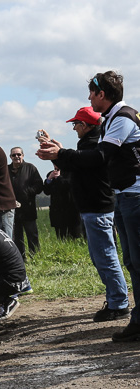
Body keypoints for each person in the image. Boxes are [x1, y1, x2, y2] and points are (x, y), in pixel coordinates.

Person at [37, 74, 137, 337]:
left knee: (121, 259)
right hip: (121, 197)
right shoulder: (113, 122)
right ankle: (131, 313)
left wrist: (60, 155)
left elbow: (97, 158)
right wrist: (61, 153)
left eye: (92, 93)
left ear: (102, 94)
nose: (89, 98)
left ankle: (123, 307)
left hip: (120, 200)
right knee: (128, 260)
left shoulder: (122, 119)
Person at [8, 147, 44, 260]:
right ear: (10, 157)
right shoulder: (6, 170)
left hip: (28, 208)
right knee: (16, 236)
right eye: (14, 155)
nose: (16, 157)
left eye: (18, 154)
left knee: (32, 234)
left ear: (23, 155)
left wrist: (27, 192)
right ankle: (21, 259)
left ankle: (35, 257)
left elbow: (39, 185)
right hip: (12, 209)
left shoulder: (30, 168)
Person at [43, 163, 82, 239]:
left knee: (75, 236)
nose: (56, 165)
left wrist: (58, 178)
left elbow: (68, 186)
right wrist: (49, 179)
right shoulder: (51, 174)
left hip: (71, 210)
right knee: (61, 237)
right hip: (57, 211)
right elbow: (47, 191)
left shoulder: (72, 173)